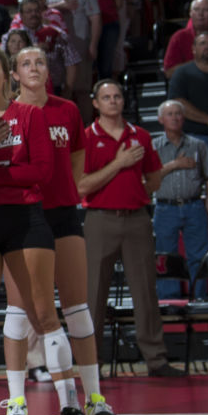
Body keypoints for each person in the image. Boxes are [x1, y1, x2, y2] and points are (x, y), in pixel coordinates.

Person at [0, 42, 81, 415]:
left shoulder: (28, 115)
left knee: (43, 312)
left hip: (26, 219)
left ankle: (71, 406)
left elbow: (42, 171)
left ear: (6, 73)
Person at [2, 46, 120, 415]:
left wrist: (64, 197)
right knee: (20, 313)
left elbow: (74, 169)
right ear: (14, 73)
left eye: (40, 62)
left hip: (63, 214)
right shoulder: (6, 114)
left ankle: (94, 398)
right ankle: (17, 401)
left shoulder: (68, 110)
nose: (35, 68)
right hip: (23, 216)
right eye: (26, 63)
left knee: (77, 309)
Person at [75, 79, 171, 388]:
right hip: (100, 219)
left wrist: (143, 184)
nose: (113, 101)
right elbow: (81, 186)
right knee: (93, 294)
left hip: (137, 218)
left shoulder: (140, 136)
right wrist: (119, 164)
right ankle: (92, 364)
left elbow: (154, 179)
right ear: (96, 103)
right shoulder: (88, 137)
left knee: (145, 290)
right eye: (107, 97)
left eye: (117, 96)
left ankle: (156, 360)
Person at [152, 100, 208, 299]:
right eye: (170, 114)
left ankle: (199, 298)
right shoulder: (153, 146)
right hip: (165, 208)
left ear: (184, 118)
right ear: (161, 119)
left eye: (178, 114)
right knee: (166, 258)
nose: (175, 118)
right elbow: (149, 178)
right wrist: (174, 165)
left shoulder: (199, 145)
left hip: (194, 205)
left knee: (198, 256)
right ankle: (170, 300)